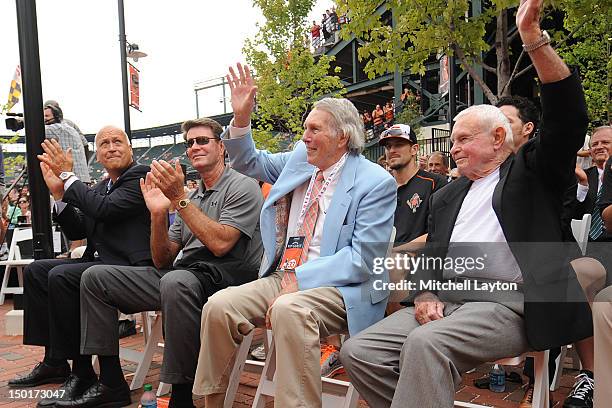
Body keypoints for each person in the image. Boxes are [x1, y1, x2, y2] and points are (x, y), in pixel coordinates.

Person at [339, 1, 599, 407]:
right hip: (448, 299)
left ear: (498, 138)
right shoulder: (446, 196)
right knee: (358, 352)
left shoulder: (530, 173)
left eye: (463, 139)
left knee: (425, 344)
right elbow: (431, 257)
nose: (453, 148)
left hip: (511, 303)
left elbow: (568, 117)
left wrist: (532, 39)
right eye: (454, 140)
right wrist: (424, 295)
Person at [193, 63, 396, 408]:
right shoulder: (302, 159)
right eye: (305, 128)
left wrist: (300, 279)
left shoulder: (375, 182)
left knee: (289, 309)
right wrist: (241, 118)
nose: (304, 137)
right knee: (219, 306)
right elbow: (248, 162)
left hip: (342, 288)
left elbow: (364, 260)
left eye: (314, 129)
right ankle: (207, 401)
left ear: (342, 137)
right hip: (283, 275)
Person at [75, 117, 264, 408]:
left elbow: (221, 244)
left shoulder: (243, 185)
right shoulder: (192, 195)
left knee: (176, 281)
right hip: (184, 276)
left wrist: (178, 199)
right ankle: (111, 381)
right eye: (190, 143)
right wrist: (158, 214)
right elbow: (162, 257)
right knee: (95, 276)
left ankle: (181, 394)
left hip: (227, 277)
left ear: (222, 147)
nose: (195, 147)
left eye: (203, 140)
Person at [9, 126, 152, 407]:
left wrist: (69, 177)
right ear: (97, 156)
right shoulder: (99, 188)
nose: (111, 147)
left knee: (63, 275)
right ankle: (55, 361)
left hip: (133, 268)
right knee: (38, 270)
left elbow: (105, 210)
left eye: (117, 141)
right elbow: (78, 228)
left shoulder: (141, 175)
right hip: (102, 265)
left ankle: (83, 372)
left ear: (130, 150)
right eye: (104, 144)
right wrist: (59, 196)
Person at [380, 124, 446, 245]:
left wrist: (395, 252)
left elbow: (439, 231)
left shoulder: (435, 183)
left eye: (398, 145)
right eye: (388, 146)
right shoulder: (380, 188)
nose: (392, 150)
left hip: (421, 261)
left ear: (414, 149)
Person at [43, 103, 90, 183]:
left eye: (47, 116)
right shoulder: (70, 126)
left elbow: (36, 129)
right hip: (80, 176)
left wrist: (24, 121)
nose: (44, 119)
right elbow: (85, 143)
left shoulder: (57, 128)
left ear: (56, 117)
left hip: (70, 178)